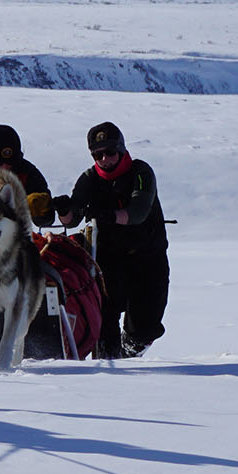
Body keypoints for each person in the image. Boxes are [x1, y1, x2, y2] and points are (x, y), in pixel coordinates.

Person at [71, 121, 170, 357]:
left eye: (109, 152)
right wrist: (65, 209)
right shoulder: (89, 178)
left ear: (121, 149)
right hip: (109, 262)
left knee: (145, 328)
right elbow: (72, 217)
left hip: (148, 259)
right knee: (104, 323)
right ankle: (108, 365)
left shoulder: (141, 173)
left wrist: (110, 216)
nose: (104, 159)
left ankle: (130, 349)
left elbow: (138, 211)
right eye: (98, 155)